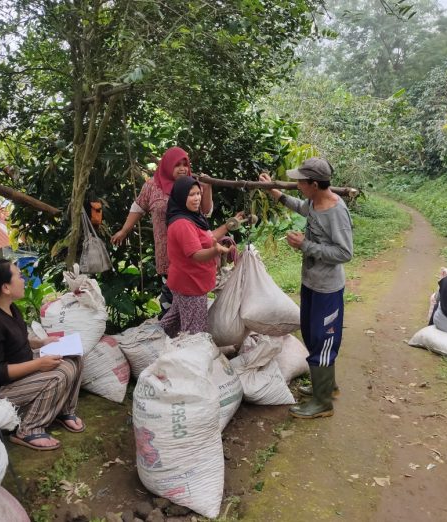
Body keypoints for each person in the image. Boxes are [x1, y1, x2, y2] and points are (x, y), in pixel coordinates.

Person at [0, 259, 84, 451]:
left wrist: (40, 343)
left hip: (16, 374)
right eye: (19, 276)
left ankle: (63, 411)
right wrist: (38, 364)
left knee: (75, 357)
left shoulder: (10, 308)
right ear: (6, 287)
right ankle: (28, 429)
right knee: (59, 374)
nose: (24, 280)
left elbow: (16, 340)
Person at [260, 158, 353, 420]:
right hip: (310, 282)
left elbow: (345, 253)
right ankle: (325, 387)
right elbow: (300, 206)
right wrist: (273, 191)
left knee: (324, 340)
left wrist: (305, 246)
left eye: (301, 181)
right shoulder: (313, 203)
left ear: (314, 184)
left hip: (327, 289)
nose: (296, 185)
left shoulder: (337, 212)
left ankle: (323, 403)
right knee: (312, 335)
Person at [111, 147, 213, 316]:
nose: (182, 169)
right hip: (167, 250)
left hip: (192, 248)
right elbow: (138, 207)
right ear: (166, 165)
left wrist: (207, 189)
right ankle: (171, 326)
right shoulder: (152, 186)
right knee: (170, 292)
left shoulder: (191, 184)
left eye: (185, 164)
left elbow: (206, 211)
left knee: (191, 292)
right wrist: (124, 230)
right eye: (177, 165)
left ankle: (190, 328)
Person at [159, 176, 244, 337]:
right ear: (180, 196)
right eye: (191, 195)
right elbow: (196, 255)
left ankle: (151, 341)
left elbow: (208, 237)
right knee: (195, 333)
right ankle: (191, 358)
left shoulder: (192, 218)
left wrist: (228, 225)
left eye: (198, 193)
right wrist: (216, 251)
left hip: (187, 282)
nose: (197, 198)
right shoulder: (182, 224)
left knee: (173, 321)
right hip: (191, 285)